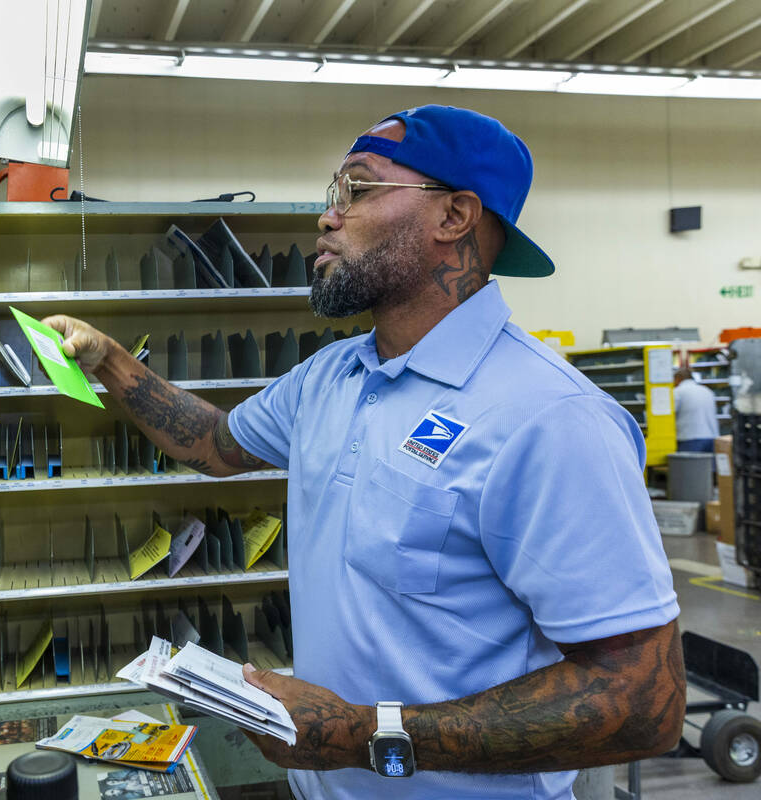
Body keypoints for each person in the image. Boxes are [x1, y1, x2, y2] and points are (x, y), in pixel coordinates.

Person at [43, 105, 684, 799]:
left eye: (357, 189)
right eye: (332, 195)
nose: (327, 216)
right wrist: (108, 361)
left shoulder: (553, 419)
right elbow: (214, 443)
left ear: (454, 217)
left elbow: (643, 700)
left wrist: (361, 736)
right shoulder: (329, 376)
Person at [673, 366, 719, 452]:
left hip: (689, 438)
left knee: (690, 465)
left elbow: (669, 414)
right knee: (707, 465)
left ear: (678, 378)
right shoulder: (707, 390)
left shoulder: (678, 392)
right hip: (710, 437)